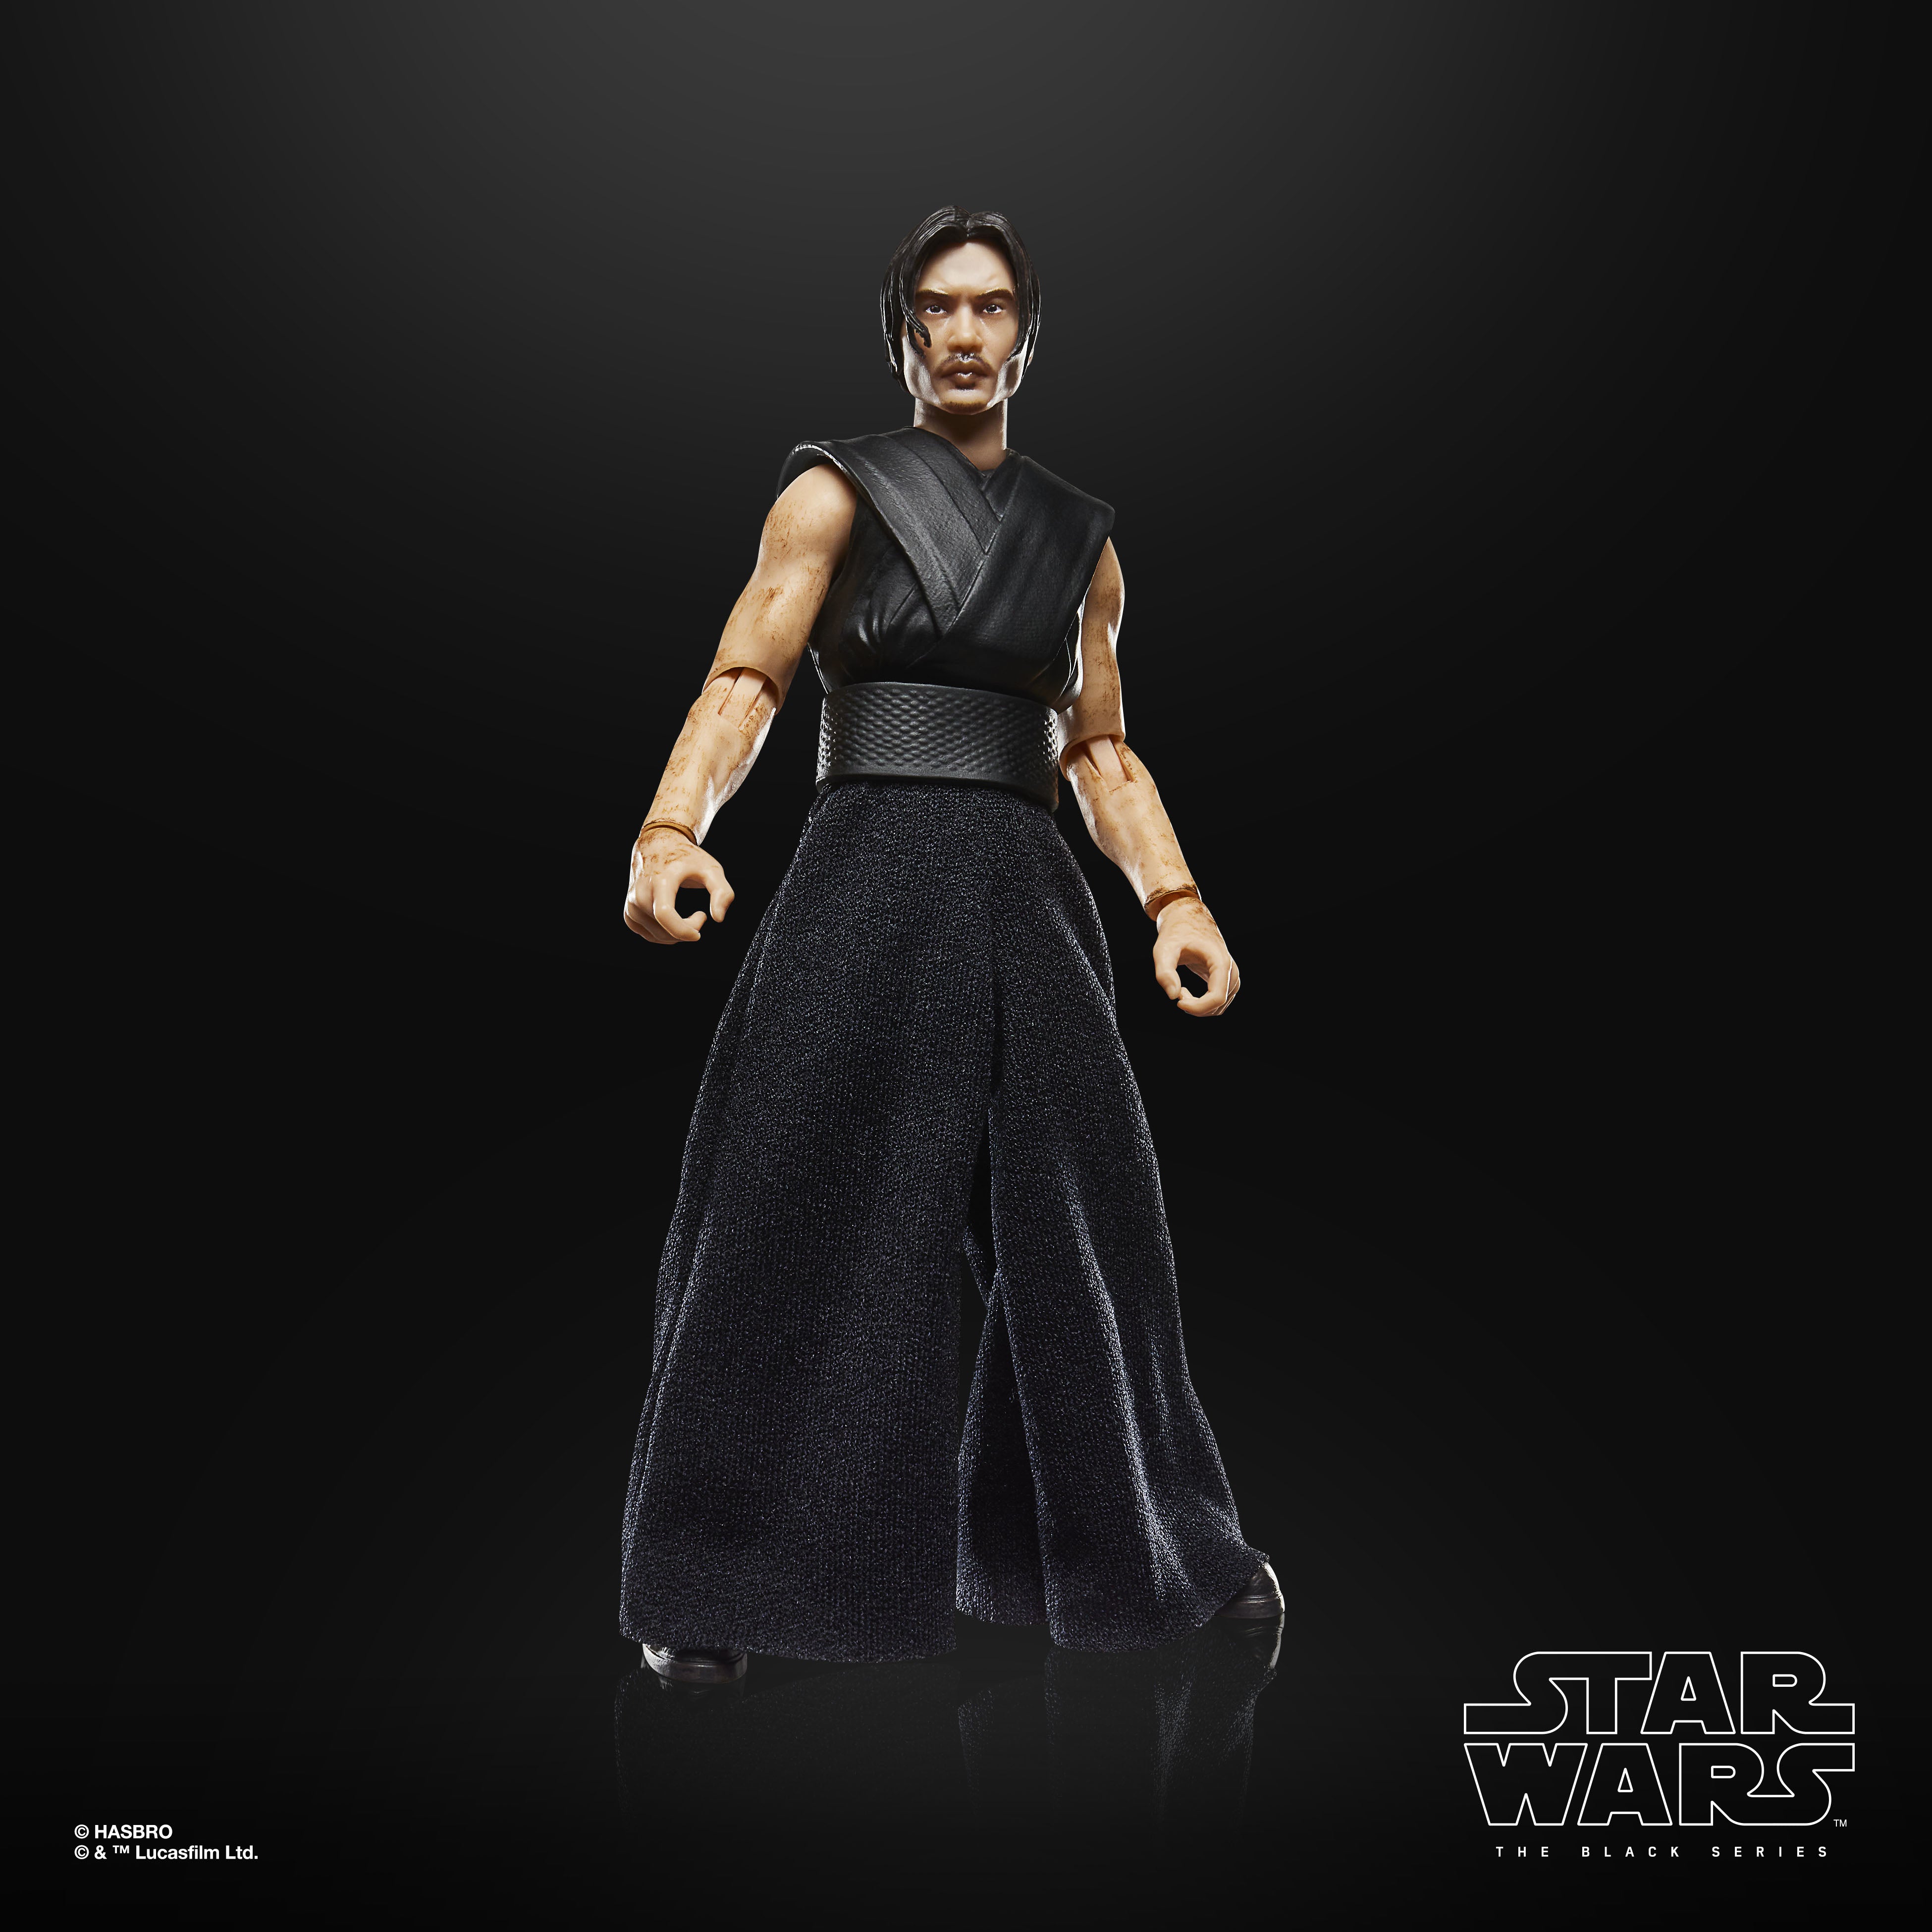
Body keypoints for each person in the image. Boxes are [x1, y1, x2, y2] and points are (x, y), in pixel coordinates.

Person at [619, 207, 1280, 1685]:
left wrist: (1176, 902)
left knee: (1094, 1222)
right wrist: (670, 831)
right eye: (937, 308)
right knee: (788, 1209)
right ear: (903, 334)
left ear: (1025, 337)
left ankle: (1153, 1549)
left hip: (1026, 889)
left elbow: (1100, 750)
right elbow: (747, 674)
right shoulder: (831, 493)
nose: (965, 333)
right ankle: (711, 1586)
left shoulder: (1082, 542)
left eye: (991, 307)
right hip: (865, 868)